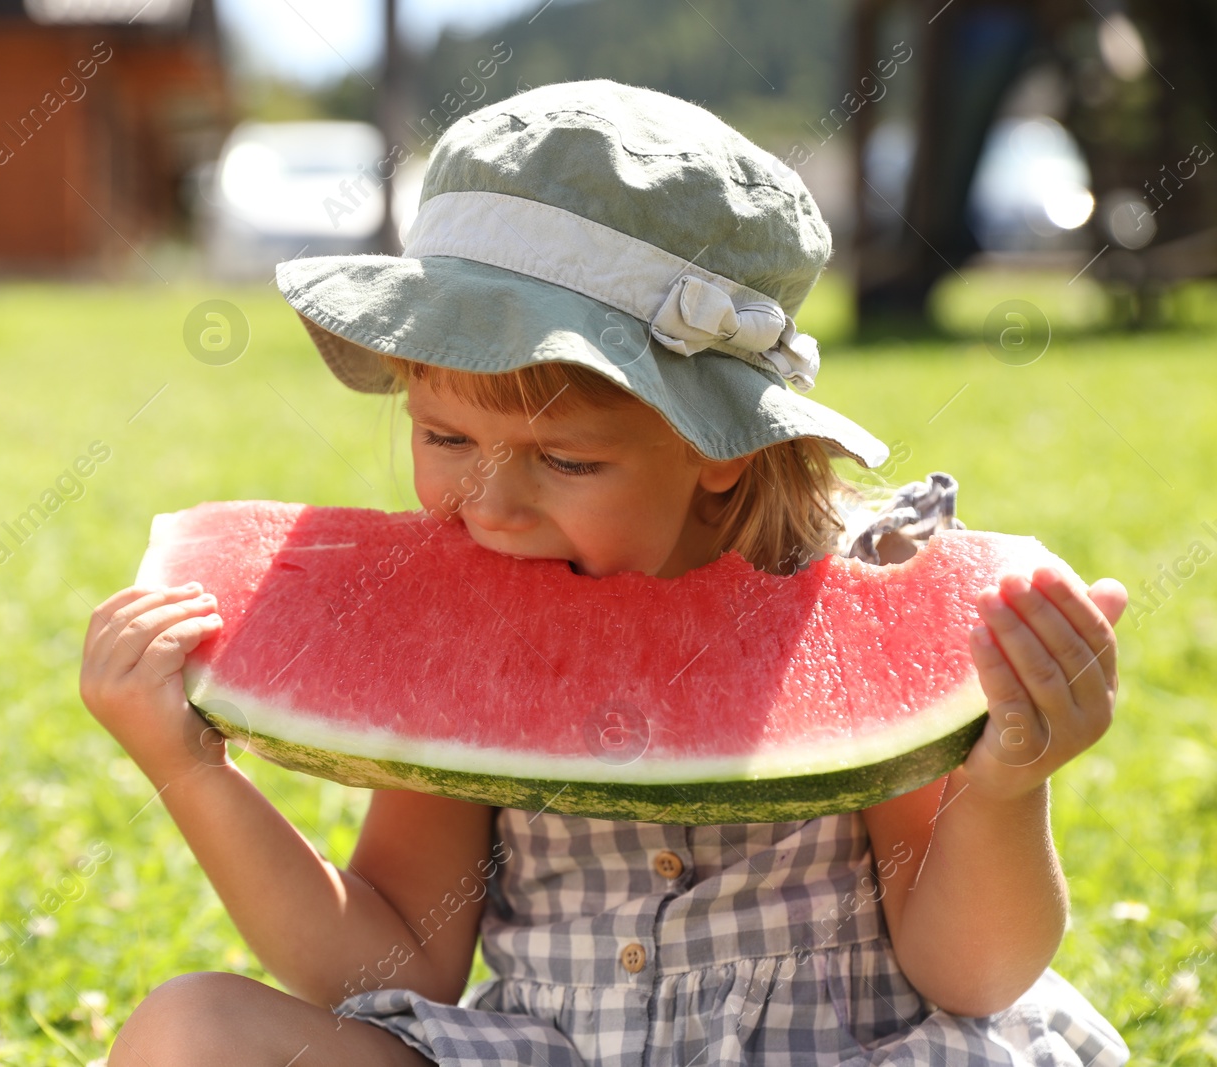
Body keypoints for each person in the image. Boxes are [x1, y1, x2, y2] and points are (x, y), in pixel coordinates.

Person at [79, 80, 1130, 1066]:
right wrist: (190, 771)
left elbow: (971, 970)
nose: (486, 503)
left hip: (841, 1044)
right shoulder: (461, 613)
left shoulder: (860, 592)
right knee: (193, 1027)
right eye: (442, 436)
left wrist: (1003, 786)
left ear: (718, 442)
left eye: (566, 459)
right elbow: (393, 962)